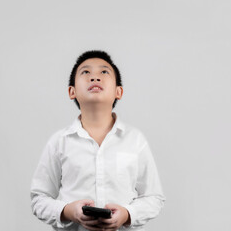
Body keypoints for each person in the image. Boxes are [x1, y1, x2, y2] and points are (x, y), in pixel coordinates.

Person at [30, 50, 166, 231]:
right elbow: (39, 198)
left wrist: (127, 214)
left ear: (119, 91)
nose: (95, 78)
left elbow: (153, 197)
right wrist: (68, 211)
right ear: (72, 91)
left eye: (104, 72)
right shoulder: (59, 142)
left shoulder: (135, 140)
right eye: (86, 72)